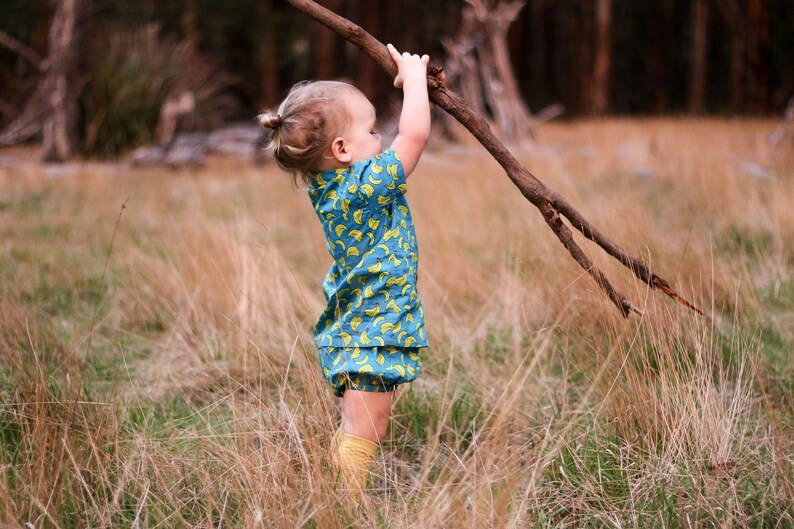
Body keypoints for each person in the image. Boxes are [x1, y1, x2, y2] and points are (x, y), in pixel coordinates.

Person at [259, 44, 433, 494]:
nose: (381, 140)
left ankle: (338, 495)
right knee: (366, 429)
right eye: (373, 131)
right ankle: (343, 503)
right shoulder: (363, 185)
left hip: (362, 322)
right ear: (341, 149)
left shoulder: (329, 185)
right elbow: (413, 138)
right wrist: (414, 81)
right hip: (375, 325)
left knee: (361, 424)